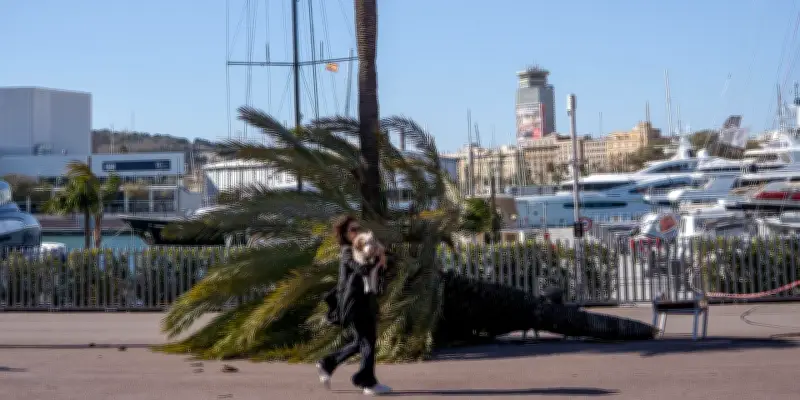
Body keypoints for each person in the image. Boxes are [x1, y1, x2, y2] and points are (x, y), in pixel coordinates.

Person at [316, 215, 392, 396]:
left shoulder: (363, 249)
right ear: (345, 234)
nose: (357, 232)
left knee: (362, 341)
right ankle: (367, 382)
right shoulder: (347, 252)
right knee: (367, 341)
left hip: (363, 301)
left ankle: (328, 363)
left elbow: (374, 272)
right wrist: (375, 260)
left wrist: (380, 260)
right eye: (353, 230)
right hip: (354, 303)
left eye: (359, 228)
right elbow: (361, 269)